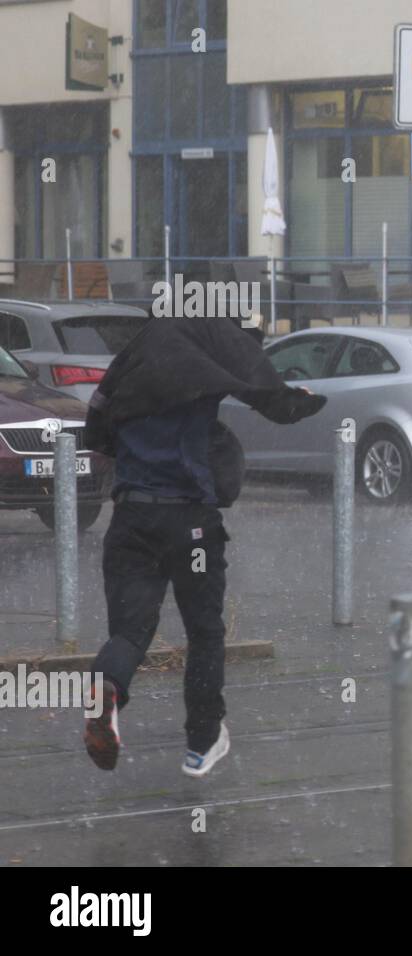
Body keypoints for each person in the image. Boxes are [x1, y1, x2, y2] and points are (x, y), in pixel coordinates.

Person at [81, 313, 327, 776]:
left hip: (131, 517)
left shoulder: (137, 357)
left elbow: (96, 425)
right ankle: (202, 740)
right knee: (205, 631)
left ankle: (107, 685)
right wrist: (301, 401)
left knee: (130, 632)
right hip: (189, 524)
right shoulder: (201, 362)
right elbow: (263, 390)